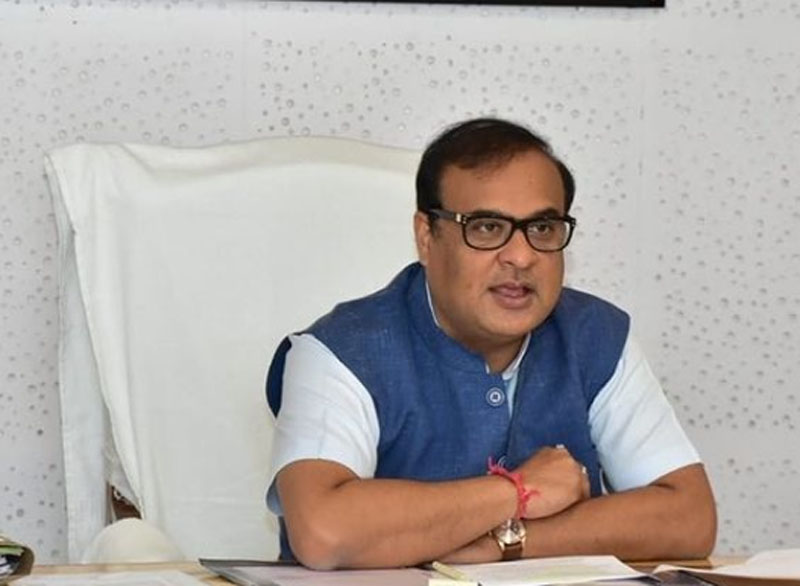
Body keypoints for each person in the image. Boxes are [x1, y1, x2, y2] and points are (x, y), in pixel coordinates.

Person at [265, 118, 716, 570]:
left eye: (542, 228)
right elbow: (324, 532)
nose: (521, 256)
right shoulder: (341, 351)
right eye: (485, 227)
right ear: (426, 237)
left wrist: (504, 542)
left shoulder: (595, 335)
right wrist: (517, 490)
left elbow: (689, 518)